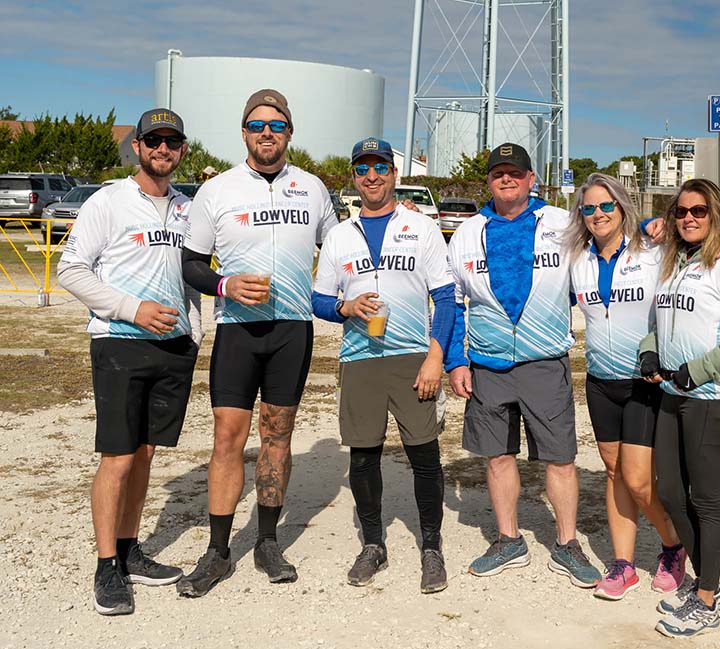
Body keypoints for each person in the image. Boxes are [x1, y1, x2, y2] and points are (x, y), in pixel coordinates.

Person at [177, 89, 338, 597]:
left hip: (292, 327)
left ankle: (267, 542)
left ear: (289, 132)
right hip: (237, 330)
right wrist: (225, 284)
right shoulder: (217, 190)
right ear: (243, 132)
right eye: (256, 125)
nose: (266, 133)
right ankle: (218, 551)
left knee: (278, 435)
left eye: (276, 125)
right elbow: (192, 264)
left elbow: (338, 250)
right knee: (228, 436)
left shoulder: (312, 189)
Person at [57, 108, 202, 615]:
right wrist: (131, 309)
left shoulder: (188, 208)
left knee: (145, 454)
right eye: (154, 140)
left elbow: (193, 276)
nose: (163, 149)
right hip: (120, 341)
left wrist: (196, 330)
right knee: (117, 456)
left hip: (174, 347)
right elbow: (69, 269)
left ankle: (128, 548)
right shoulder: (109, 201)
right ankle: (105, 568)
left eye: (172, 141)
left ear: (182, 149)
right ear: (137, 147)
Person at [444, 142, 602, 587]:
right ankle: (509, 539)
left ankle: (567, 544)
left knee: (561, 459)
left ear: (532, 179)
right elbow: (454, 303)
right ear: (489, 181)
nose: (507, 179)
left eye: (516, 172)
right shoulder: (467, 231)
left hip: (544, 361)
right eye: (498, 173)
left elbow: (616, 232)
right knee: (497, 457)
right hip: (488, 366)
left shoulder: (562, 223)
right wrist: (457, 361)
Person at [312, 138, 455, 594]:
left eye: (380, 167)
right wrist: (345, 307)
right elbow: (318, 300)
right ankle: (373, 544)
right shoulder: (339, 235)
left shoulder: (422, 228)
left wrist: (437, 357)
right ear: (354, 177)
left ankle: (431, 548)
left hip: (414, 357)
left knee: (424, 455)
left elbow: (446, 297)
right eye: (362, 169)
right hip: (360, 359)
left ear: (394, 174)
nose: (371, 176)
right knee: (363, 455)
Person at [638, 178, 720, 637]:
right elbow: (658, 321)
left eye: (700, 211)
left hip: (710, 398)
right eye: (681, 211)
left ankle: (707, 595)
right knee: (670, 492)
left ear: (716, 216)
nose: (688, 218)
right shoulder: (672, 262)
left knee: (705, 499)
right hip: (672, 393)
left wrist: (703, 369)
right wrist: (649, 352)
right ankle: (709, 579)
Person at [564, 172, 685, 600]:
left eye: (605, 205)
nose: (597, 214)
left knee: (636, 479)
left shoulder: (653, 252)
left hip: (644, 380)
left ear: (622, 206)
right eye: (589, 208)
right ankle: (623, 565)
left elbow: (703, 242)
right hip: (600, 380)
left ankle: (673, 545)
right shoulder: (577, 259)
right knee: (613, 472)